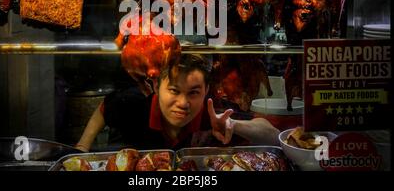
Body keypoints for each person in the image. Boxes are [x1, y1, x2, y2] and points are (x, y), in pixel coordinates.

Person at [75, 54, 280, 152]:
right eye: (174, 90)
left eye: (193, 93)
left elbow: (271, 134)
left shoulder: (215, 111)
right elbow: (104, 109)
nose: (183, 103)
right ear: (156, 87)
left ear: (206, 91)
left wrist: (233, 125)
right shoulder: (134, 103)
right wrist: (82, 147)